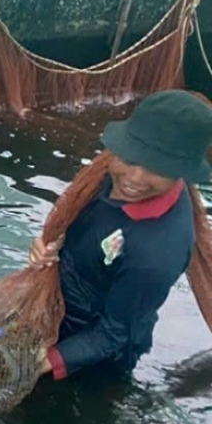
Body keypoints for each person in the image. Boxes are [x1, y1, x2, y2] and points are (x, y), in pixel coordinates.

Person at [28, 90, 212, 380]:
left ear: (181, 173)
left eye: (157, 168)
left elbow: (114, 333)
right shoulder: (108, 171)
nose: (134, 179)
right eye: (131, 158)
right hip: (55, 309)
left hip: (93, 354)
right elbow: (74, 221)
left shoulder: (158, 253)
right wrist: (48, 245)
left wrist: (38, 366)